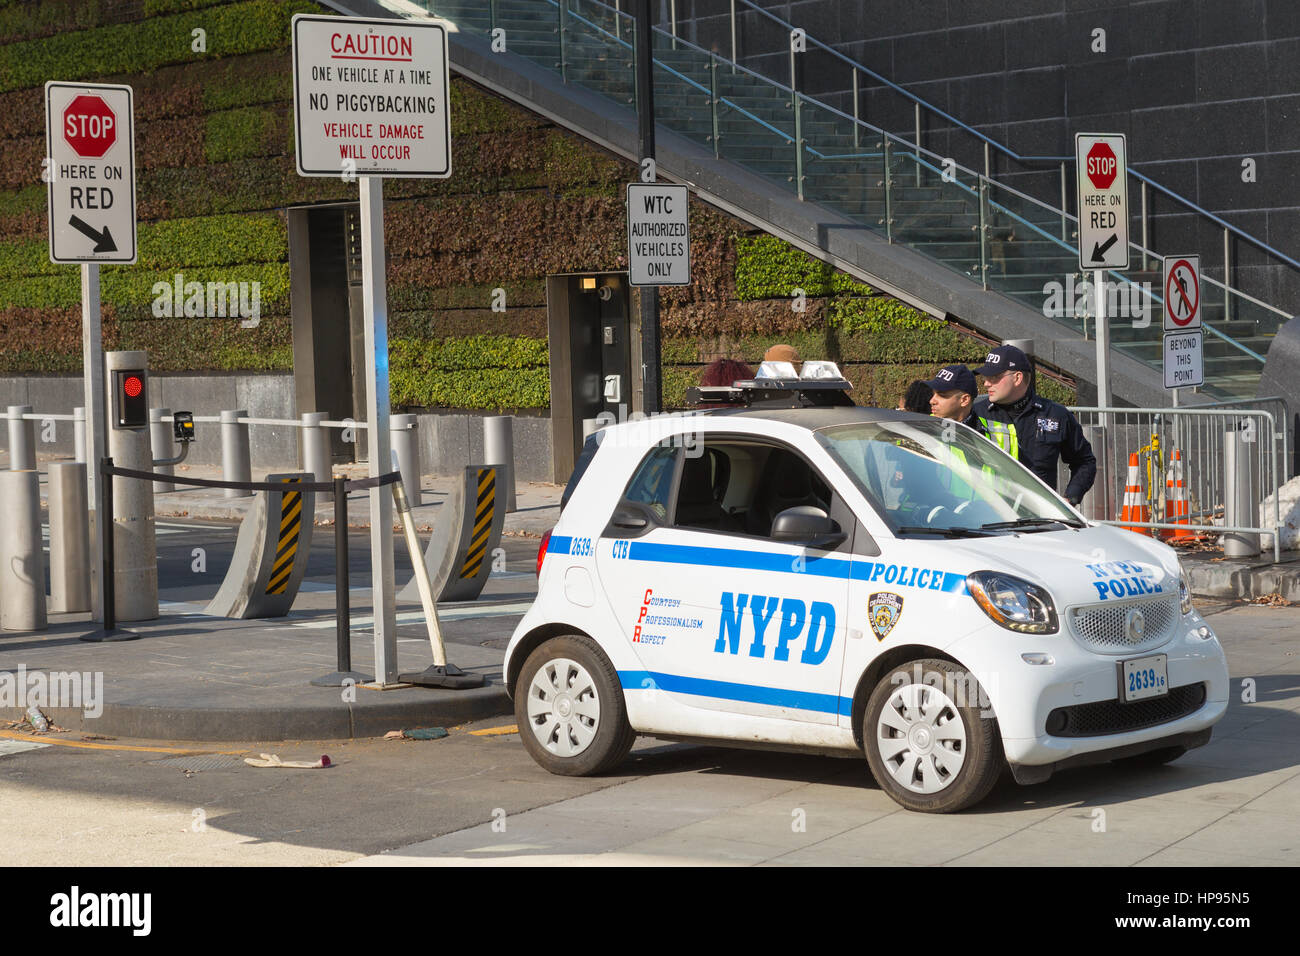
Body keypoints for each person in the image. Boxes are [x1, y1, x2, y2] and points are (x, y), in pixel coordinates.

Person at [972, 345, 1096, 506]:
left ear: (1017, 378)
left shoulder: (1055, 414)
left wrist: (1069, 499)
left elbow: (1084, 461)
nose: (986, 383)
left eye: (994, 377)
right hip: (986, 514)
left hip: (1038, 518)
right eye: (985, 377)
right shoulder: (976, 414)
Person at [923, 364, 985, 436]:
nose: (932, 401)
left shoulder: (990, 430)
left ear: (964, 400)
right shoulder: (922, 427)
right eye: (933, 394)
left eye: (942, 395)